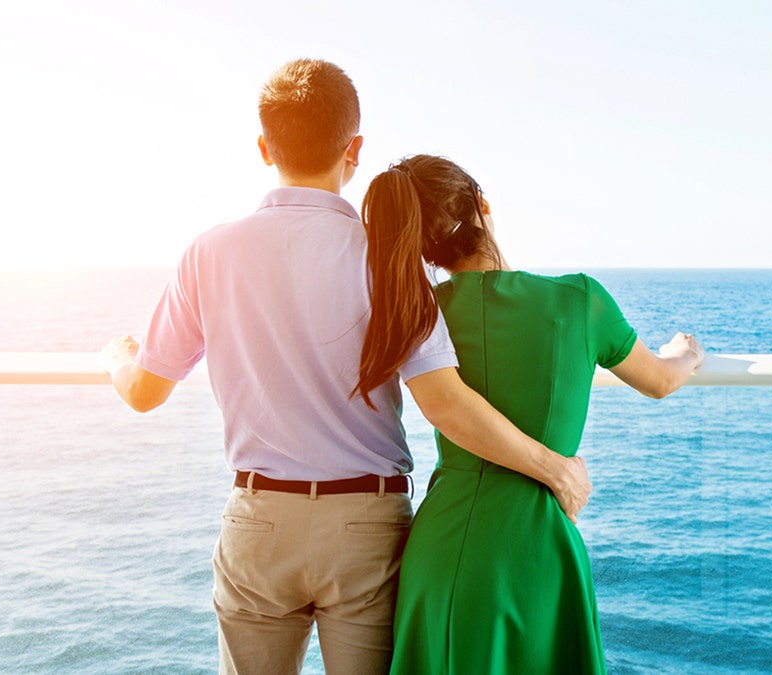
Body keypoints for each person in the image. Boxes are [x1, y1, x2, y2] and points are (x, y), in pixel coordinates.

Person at [98, 60, 591, 675]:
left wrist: (119, 359)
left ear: (263, 147)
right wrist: (555, 469)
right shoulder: (387, 259)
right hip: (366, 523)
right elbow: (444, 403)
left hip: (260, 519)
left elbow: (145, 392)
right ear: (354, 149)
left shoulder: (209, 252)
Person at [359, 154, 705, 674]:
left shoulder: (419, 312)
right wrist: (687, 353)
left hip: (440, 550)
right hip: (534, 549)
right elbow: (659, 381)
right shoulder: (579, 301)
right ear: (483, 206)